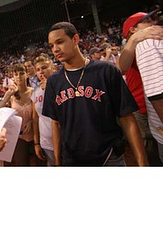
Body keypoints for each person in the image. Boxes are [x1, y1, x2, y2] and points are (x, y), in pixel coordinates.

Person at [42, 21, 148, 166]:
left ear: (75, 40)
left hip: (109, 156)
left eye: (59, 42)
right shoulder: (53, 81)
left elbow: (126, 118)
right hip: (72, 160)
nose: (55, 49)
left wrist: (142, 162)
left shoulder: (106, 71)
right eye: (51, 45)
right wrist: (58, 162)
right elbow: (56, 123)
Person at [119, 11, 163, 165]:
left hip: (154, 105)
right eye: (147, 21)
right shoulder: (133, 46)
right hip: (141, 107)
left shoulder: (153, 41)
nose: (153, 24)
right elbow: (121, 68)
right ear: (133, 29)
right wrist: (135, 38)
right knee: (150, 149)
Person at [4, 63, 35, 166]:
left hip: (35, 134)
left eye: (21, 73)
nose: (18, 76)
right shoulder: (11, 95)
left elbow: (39, 113)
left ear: (26, 74)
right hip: (19, 138)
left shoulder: (33, 92)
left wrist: (31, 121)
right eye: (16, 74)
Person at [32, 55, 55, 166]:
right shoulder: (35, 92)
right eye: (38, 70)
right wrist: (36, 143)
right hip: (46, 143)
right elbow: (35, 118)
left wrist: (50, 89)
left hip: (66, 140)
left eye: (44, 68)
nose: (41, 72)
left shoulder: (62, 85)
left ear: (52, 68)